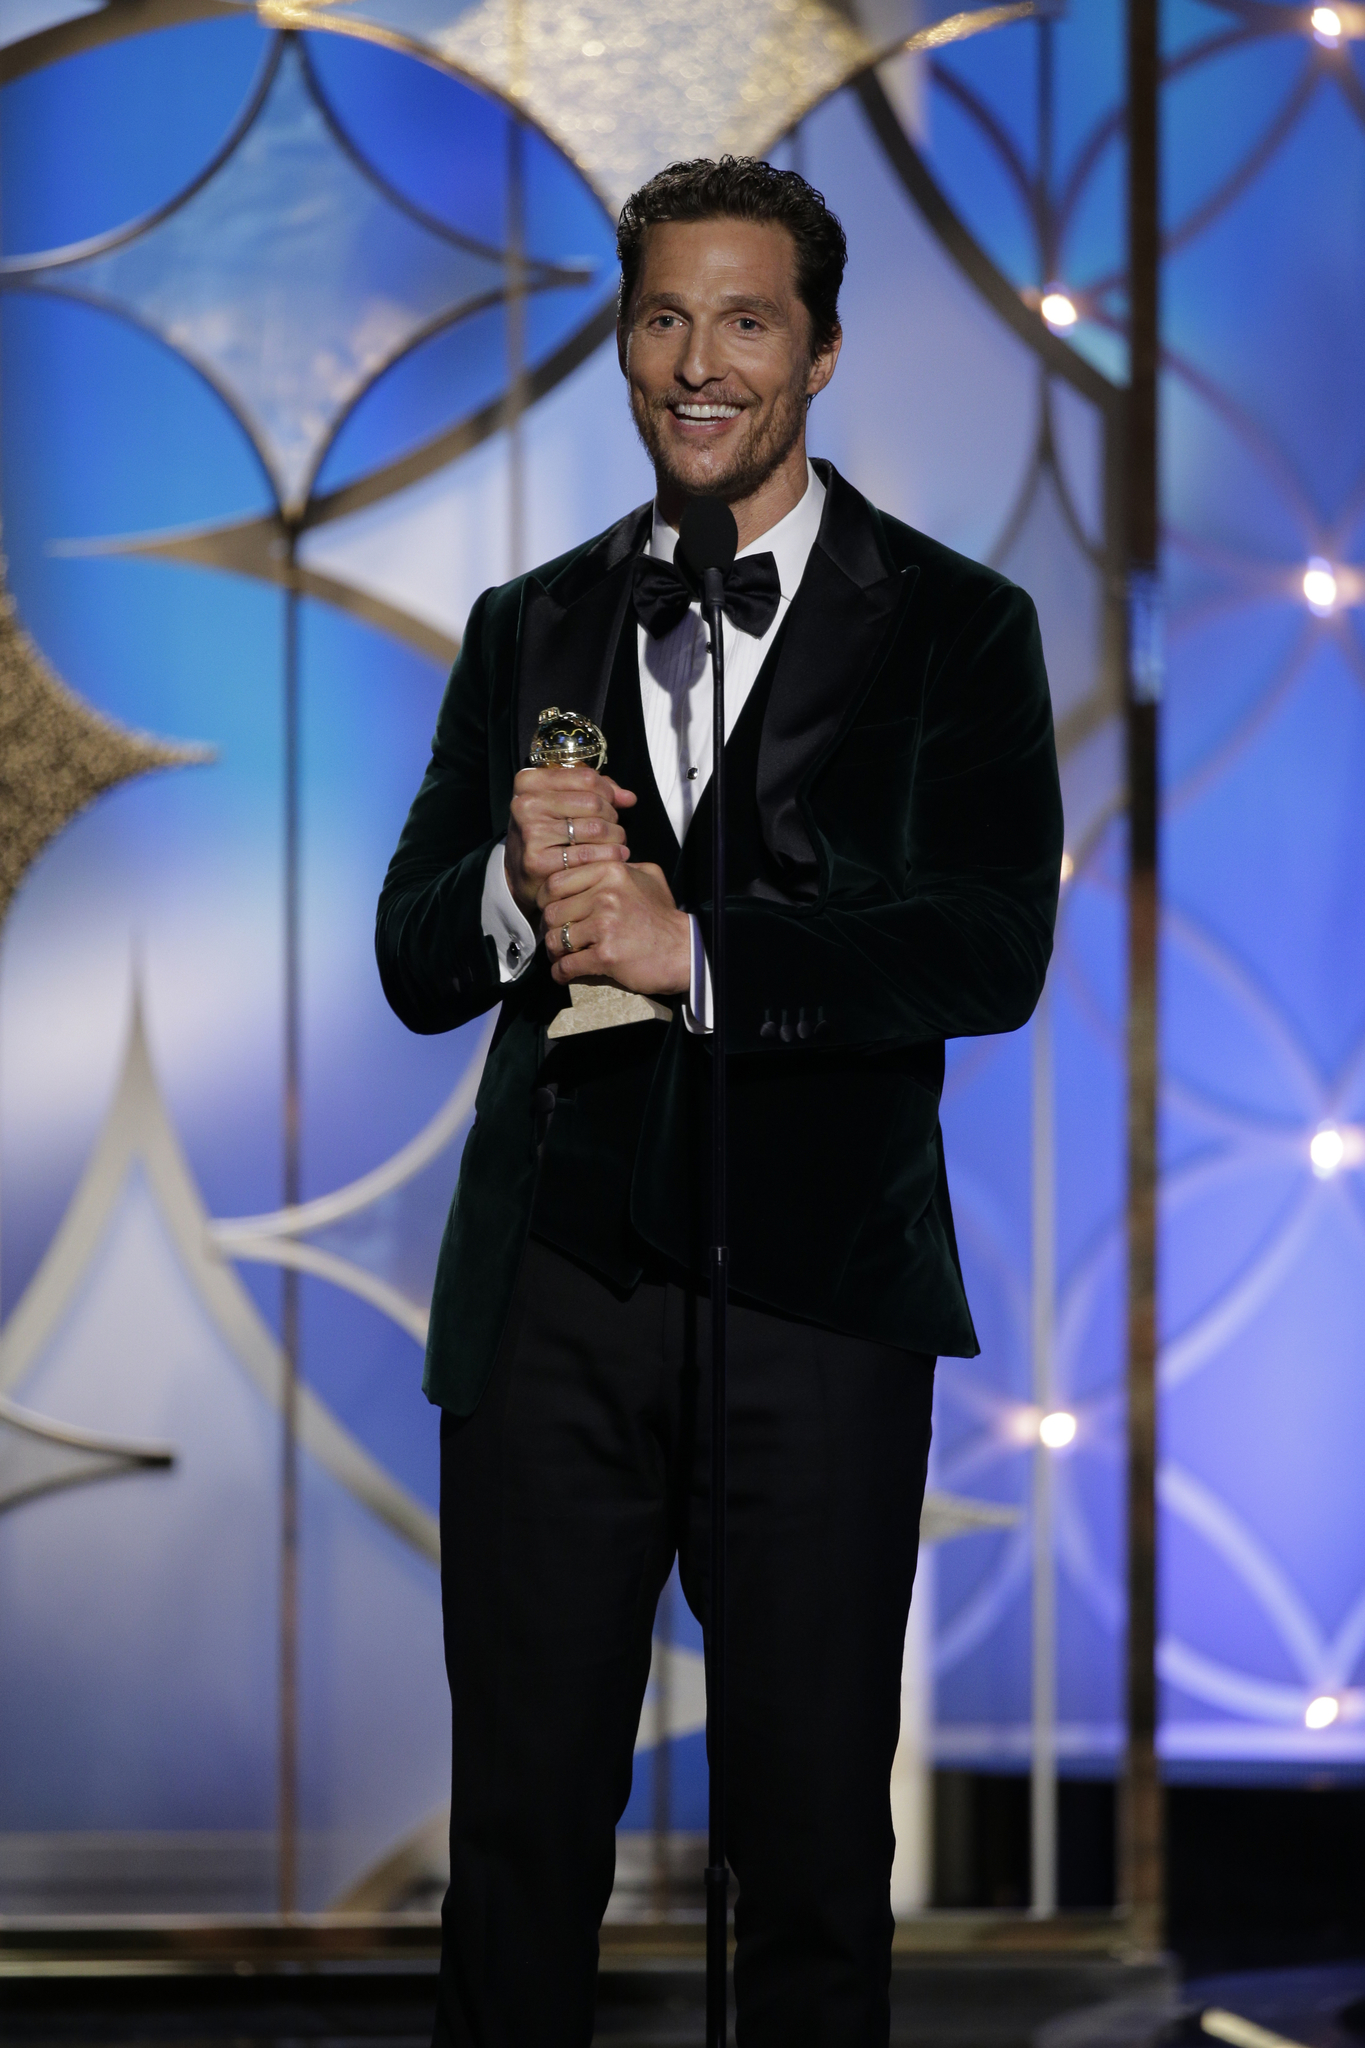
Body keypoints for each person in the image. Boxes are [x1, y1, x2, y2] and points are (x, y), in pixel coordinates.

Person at [377, 156, 1062, 2048]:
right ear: (622, 342)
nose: (699, 363)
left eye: (745, 321)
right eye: (664, 318)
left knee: (816, 1865)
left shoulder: (957, 626)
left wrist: (703, 952)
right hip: (557, 1308)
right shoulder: (528, 622)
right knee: (518, 1850)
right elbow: (411, 957)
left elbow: (988, 951)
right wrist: (527, 891)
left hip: (819, 1308)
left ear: (821, 353)